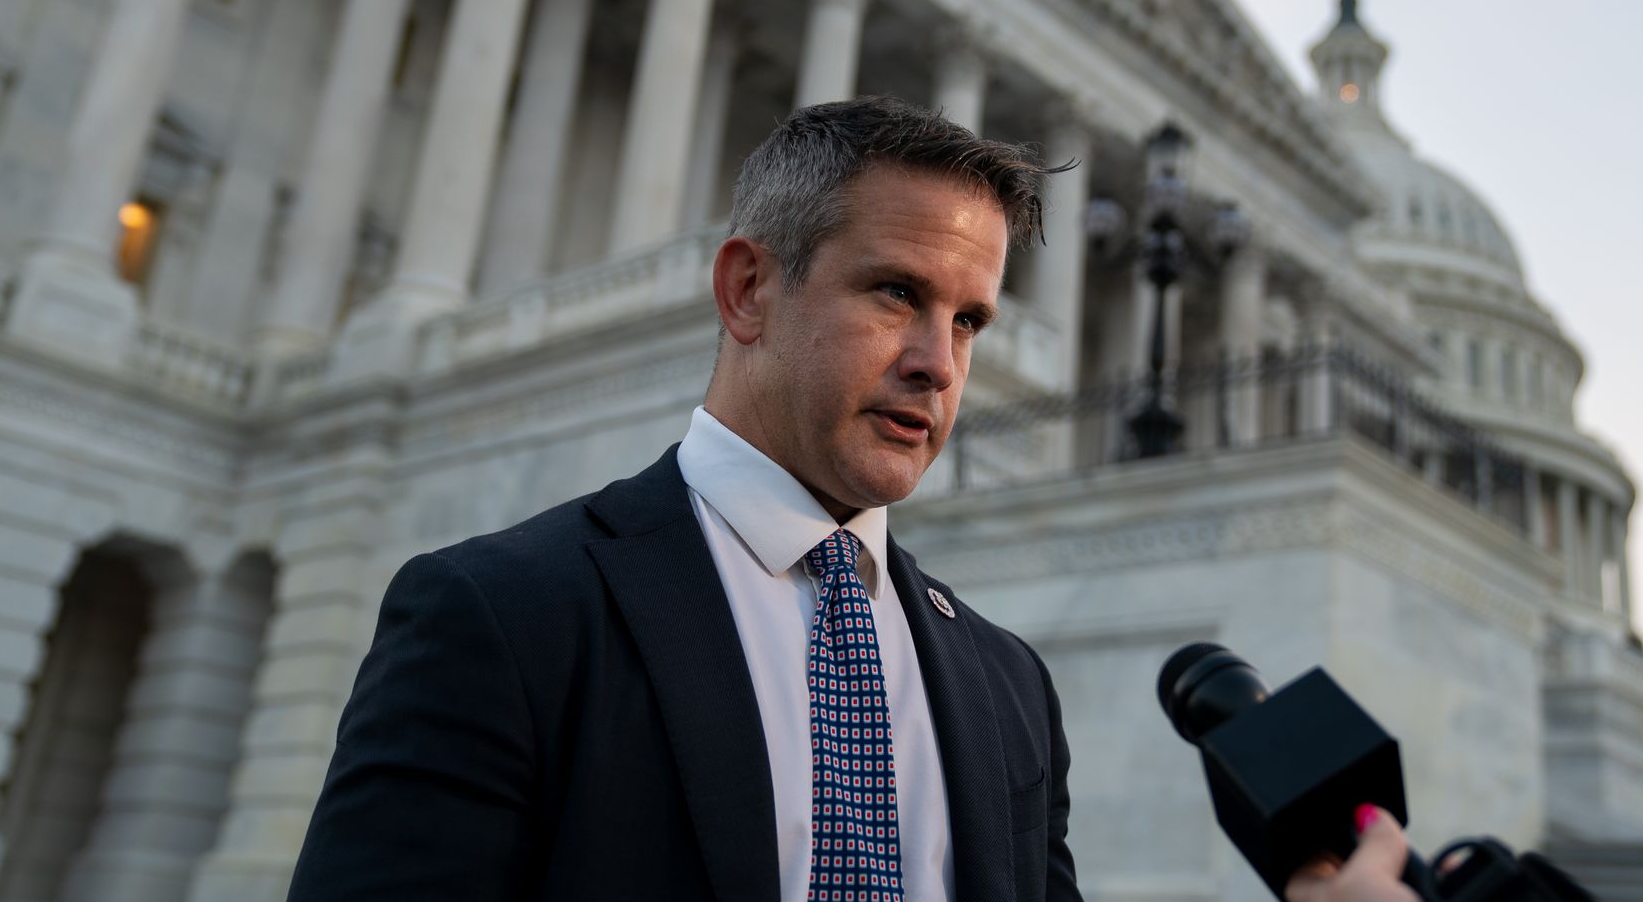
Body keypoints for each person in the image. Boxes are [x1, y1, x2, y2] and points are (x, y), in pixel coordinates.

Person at [286, 96, 1422, 901]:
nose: (940, 362)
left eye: (969, 320)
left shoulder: (1008, 687)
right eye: (896, 294)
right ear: (747, 289)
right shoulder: (503, 617)